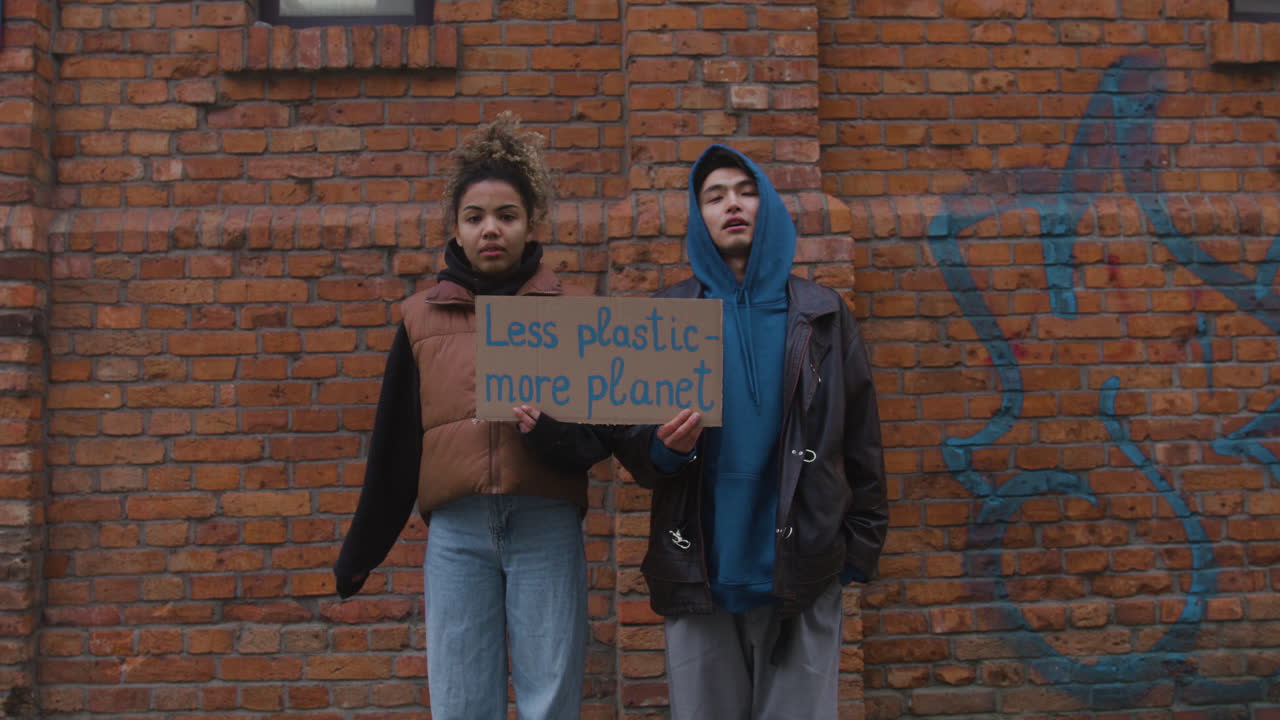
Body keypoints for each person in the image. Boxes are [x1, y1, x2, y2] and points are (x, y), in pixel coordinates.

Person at [516, 144, 888, 720]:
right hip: (700, 576)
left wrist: (854, 555)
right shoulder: (668, 317)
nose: (731, 205)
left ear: (768, 206)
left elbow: (862, 438)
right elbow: (635, 451)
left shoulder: (823, 315)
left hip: (805, 576)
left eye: (745, 191)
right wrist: (666, 448)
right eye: (714, 197)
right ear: (699, 217)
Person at [333, 113, 589, 720]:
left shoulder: (573, 312)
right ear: (456, 228)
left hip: (546, 525)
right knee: (460, 702)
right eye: (475, 217)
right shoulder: (421, 318)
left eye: (507, 215)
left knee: (551, 701)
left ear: (531, 223)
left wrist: (553, 435)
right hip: (458, 535)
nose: (490, 229)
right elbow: (396, 444)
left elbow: (600, 441)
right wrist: (362, 549)